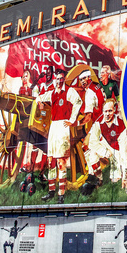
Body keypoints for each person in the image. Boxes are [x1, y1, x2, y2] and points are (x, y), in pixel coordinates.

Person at [38, 68, 83, 203]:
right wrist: (39, 102)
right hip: (53, 127)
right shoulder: (52, 93)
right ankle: (51, 191)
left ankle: (61, 194)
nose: (59, 81)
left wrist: (72, 119)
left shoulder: (69, 91)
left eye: (61, 78)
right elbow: (39, 97)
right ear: (55, 79)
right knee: (51, 160)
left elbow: (78, 102)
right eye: (57, 78)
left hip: (63, 126)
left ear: (64, 79)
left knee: (61, 161)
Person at [84, 99, 127, 191]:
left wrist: (125, 178)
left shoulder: (121, 125)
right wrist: (104, 152)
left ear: (114, 111)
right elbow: (93, 142)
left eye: (110, 111)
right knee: (90, 154)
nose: (107, 114)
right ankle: (99, 179)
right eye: (105, 111)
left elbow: (123, 152)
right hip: (105, 146)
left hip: (117, 149)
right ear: (102, 111)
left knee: (115, 180)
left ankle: (117, 171)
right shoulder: (98, 123)